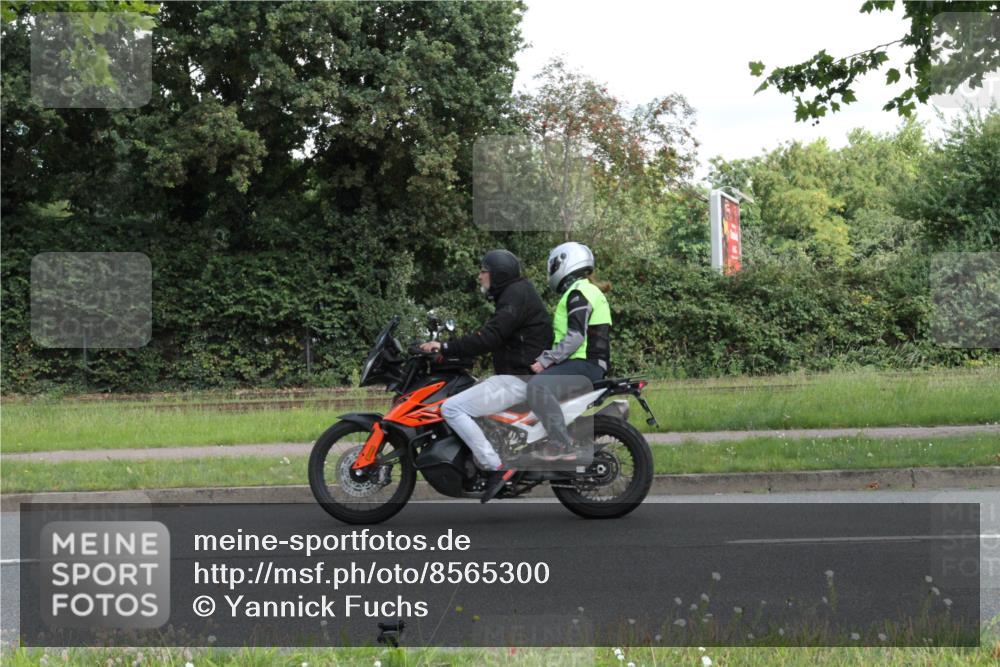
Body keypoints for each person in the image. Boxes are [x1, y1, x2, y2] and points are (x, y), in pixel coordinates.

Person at [419, 249, 551, 502]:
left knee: (452, 408)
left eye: (483, 271)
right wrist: (454, 351)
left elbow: (490, 336)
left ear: (497, 273)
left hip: (519, 379)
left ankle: (494, 467)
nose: (479, 276)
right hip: (519, 375)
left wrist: (445, 347)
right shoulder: (515, 294)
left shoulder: (514, 296)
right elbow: (495, 337)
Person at [527, 241, 611, 462]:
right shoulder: (582, 290)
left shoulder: (579, 292)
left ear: (566, 262)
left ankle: (561, 444)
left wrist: (547, 360)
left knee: (538, 387)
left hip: (586, 364)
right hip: (586, 363)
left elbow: (575, 336)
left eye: (553, 265)